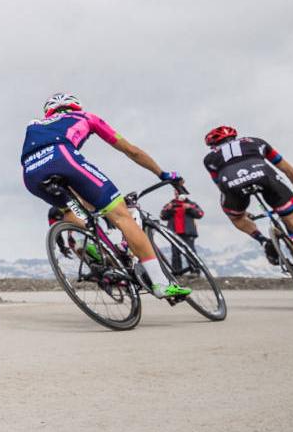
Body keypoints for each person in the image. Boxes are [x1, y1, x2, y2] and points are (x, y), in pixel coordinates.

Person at [19, 93, 192, 300]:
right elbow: (132, 151)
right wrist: (162, 174)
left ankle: (101, 253)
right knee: (122, 215)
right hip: (63, 158)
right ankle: (161, 283)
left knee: (73, 211)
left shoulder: (34, 124)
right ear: (76, 106)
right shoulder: (86, 117)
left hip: (31, 175)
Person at [200, 126, 293, 293]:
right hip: (265, 176)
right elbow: (292, 172)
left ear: (212, 145)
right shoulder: (256, 142)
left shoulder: (209, 159)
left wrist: (241, 212)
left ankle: (264, 241)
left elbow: (220, 186)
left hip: (231, 185)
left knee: (235, 217)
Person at [159, 195, 204, 275]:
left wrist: (189, 208)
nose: (177, 194)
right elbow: (162, 216)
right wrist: (169, 210)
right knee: (175, 253)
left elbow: (200, 214)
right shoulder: (171, 204)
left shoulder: (191, 204)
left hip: (188, 232)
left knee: (191, 252)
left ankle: (195, 271)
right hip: (174, 233)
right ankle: (177, 273)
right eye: (175, 192)